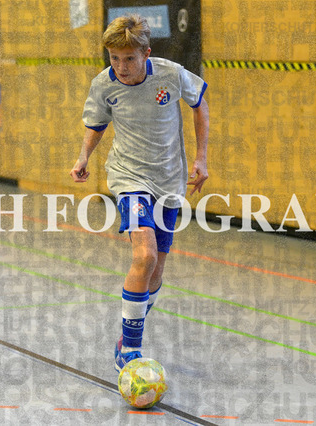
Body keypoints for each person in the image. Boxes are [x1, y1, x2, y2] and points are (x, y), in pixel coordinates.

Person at [70, 14, 209, 371]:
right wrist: (84, 156)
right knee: (144, 256)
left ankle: (128, 332)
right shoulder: (104, 84)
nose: (121, 67)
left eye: (129, 58)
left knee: (156, 270)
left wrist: (201, 157)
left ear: (146, 53)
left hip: (169, 179)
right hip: (129, 177)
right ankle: (130, 349)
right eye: (114, 58)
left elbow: (199, 104)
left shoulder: (171, 74)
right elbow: (97, 124)